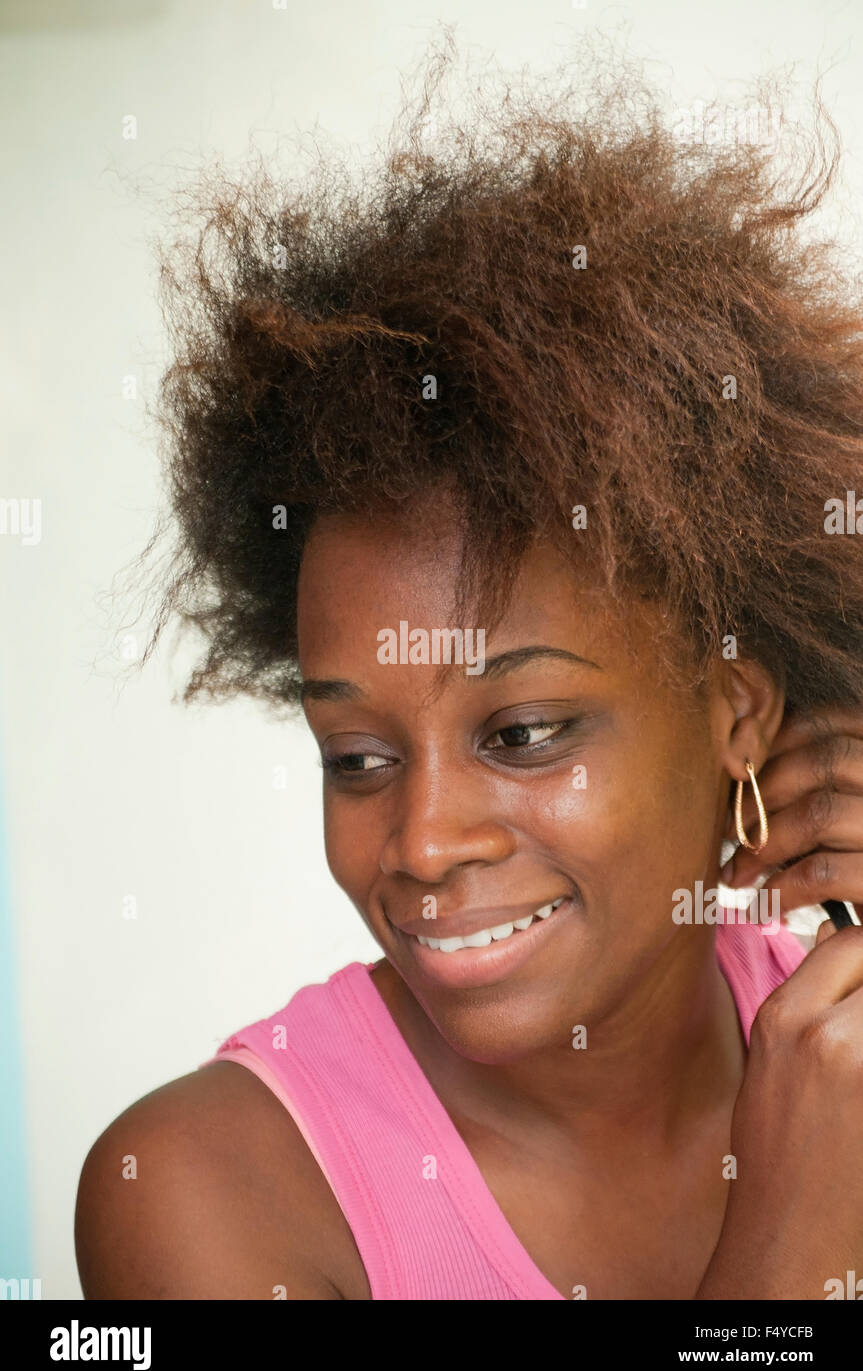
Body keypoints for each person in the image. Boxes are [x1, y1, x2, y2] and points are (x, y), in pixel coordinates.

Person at [75, 53, 863, 1300]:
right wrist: (786, 1253)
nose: (422, 843)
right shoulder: (207, 1190)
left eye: (525, 730)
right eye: (358, 759)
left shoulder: (839, 1025)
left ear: (735, 712)